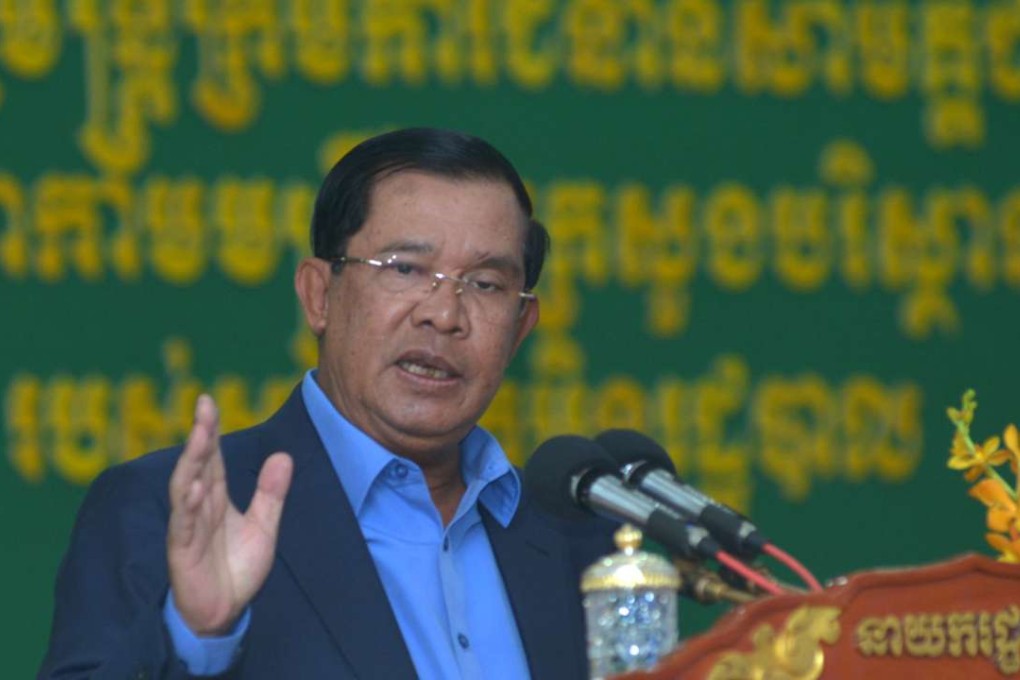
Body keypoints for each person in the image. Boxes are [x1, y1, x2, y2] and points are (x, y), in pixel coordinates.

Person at [39, 128, 614, 679]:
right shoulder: (163, 513)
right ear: (319, 295)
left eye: (486, 284)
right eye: (406, 269)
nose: (443, 314)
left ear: (520, 328)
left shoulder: (576, 542)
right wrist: (196, 640)